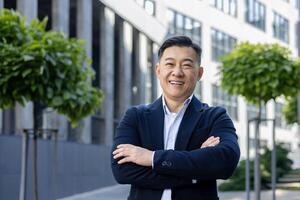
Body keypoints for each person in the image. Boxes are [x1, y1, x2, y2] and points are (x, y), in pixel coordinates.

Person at [111, 35, 240, 200]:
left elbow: (226, 161)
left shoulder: (215, 117)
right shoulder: (135, 116)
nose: (177, 72)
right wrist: (196, 171)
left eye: (186, 65)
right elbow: (122, 171)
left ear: (199, 73)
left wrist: (152, 158)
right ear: (158, 70)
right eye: (170, 64)